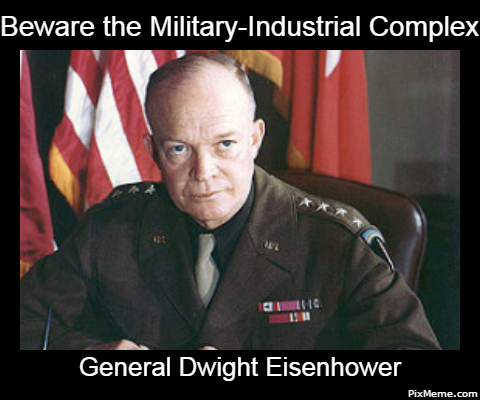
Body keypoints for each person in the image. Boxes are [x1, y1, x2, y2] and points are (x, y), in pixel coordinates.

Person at [20, 53, 440, 350]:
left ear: (255, 139)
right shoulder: (112, 231)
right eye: (179, 149)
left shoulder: (336, 243)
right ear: (152, 151)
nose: (204, 172)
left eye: (225, 145)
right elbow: (27, 321)